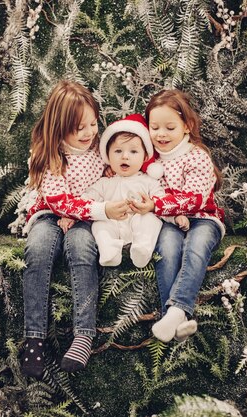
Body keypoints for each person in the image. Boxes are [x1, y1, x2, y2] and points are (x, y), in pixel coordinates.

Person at [20, 80, 130, 378]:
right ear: (59, 126)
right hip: (49, 215)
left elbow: (111, 179)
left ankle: (84, 334)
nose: (88, 133)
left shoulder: (101, 149)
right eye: (79, 127)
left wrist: (89, 208)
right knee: (38, 249)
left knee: (82, 248)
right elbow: (56, 199)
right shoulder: (48, 154)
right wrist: (82, 209)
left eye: (93, 124)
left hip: (87, 219)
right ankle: (35, 338)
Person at [131, 89, 225, 343]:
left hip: (203, 218)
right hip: (169, 220)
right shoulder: (149, 158)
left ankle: (176, 309)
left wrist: (155, 205)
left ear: (187, 126)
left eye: (169, 127)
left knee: (195, 248)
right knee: (168, 249)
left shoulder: (196, 156)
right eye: (155, 127)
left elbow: (194, 199)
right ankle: (175, 323)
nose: (161, 134)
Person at [80, 114, 166, 268]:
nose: (125, 156)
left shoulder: (148, 181)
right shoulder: (104, 182)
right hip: (113, 224)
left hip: (138, 223)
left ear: (145, 157)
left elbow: (162, 199)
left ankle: (142, 249)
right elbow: (86, 198)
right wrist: (101, 207)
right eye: (118, 151)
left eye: (133, 152)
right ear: (108, 155)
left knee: (151, 220)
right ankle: (109, 250)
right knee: (99, 225)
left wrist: (152, 204)